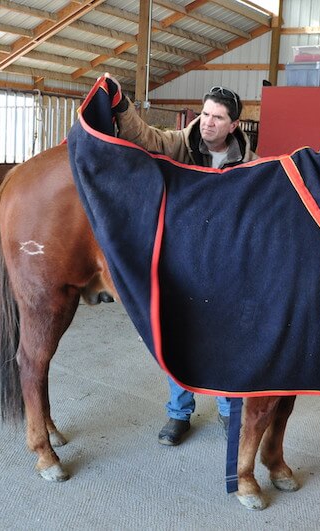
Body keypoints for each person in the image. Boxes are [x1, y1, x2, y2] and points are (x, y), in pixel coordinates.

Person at [107, 75, 258, 446]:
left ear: (233, 125)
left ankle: (228, 410)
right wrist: (123, 106)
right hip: (185, 255)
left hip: (226, 261)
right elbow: (146, 138)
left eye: (218, 118)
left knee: (228, 338)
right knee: (181, 334)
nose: (208, 122)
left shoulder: (251, 163)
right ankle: (178, 414)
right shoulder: (181, 144)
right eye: (205, 114)